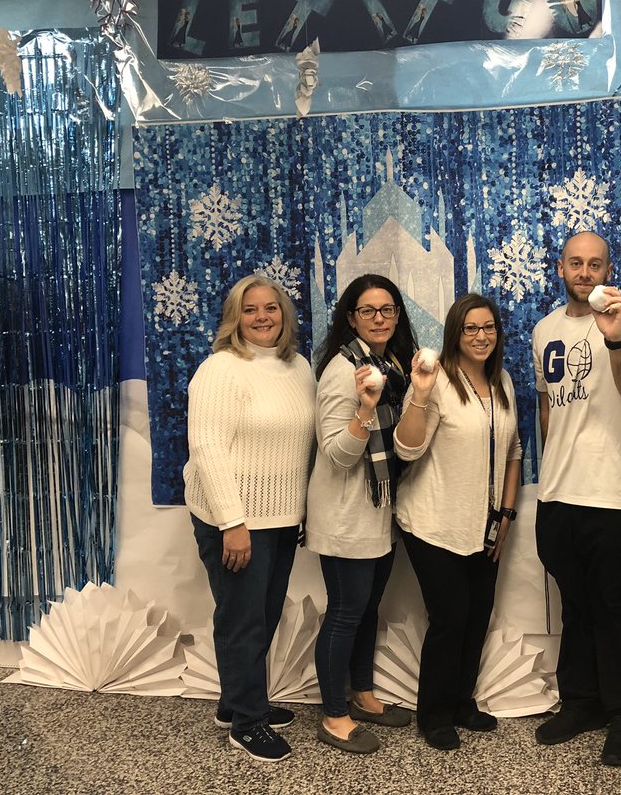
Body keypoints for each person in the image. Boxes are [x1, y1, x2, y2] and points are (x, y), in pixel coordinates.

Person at [531, 230, 621, 767]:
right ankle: (581, 701)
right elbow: (547, 408)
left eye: (595, 264)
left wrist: (615, 338)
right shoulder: (543, 330)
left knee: (619, 610)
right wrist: (548, 472)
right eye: (575, 263)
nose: (585, 273)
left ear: (608, 269)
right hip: (558, 494)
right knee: (576, 606)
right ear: (560, 268)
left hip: (613, 494)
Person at [183, 275, 316, 763]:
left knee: (264, 614)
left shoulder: (299, 366)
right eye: (250, 309)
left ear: (285, 315)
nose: (262, 317)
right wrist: (232, 522)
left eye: (271, 308)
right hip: (233, 516)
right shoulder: (220, 370)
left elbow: (301, 444)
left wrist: (299, 512)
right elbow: (207, 448)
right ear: (234, 318)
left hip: (280, 517)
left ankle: (237, 699)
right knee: (243, 619)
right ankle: (247, 722)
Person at [393, 294, 522, 750]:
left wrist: (506, 515)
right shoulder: (437, 381)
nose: (481, 336)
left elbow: (513, 454)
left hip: (484, 526)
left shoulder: (501, 380)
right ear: (455, 334)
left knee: (476, 617)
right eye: (471, 328)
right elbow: (407, 449)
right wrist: (420, 395)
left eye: (488, 327)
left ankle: (462, 700)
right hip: (433, 522)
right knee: (450, 619)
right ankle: (434, 713)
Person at [305, 274, 417, 753]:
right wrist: (365, 409)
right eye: (368, 311)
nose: (379, 319)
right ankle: (333, 715)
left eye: (387, 310)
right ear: (351, 318)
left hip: (377, 513)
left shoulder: (389, 363)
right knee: (346, 613)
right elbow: (337, 455)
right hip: (345, 516)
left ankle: (364, 694)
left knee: (367, 609)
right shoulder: (339, 371)